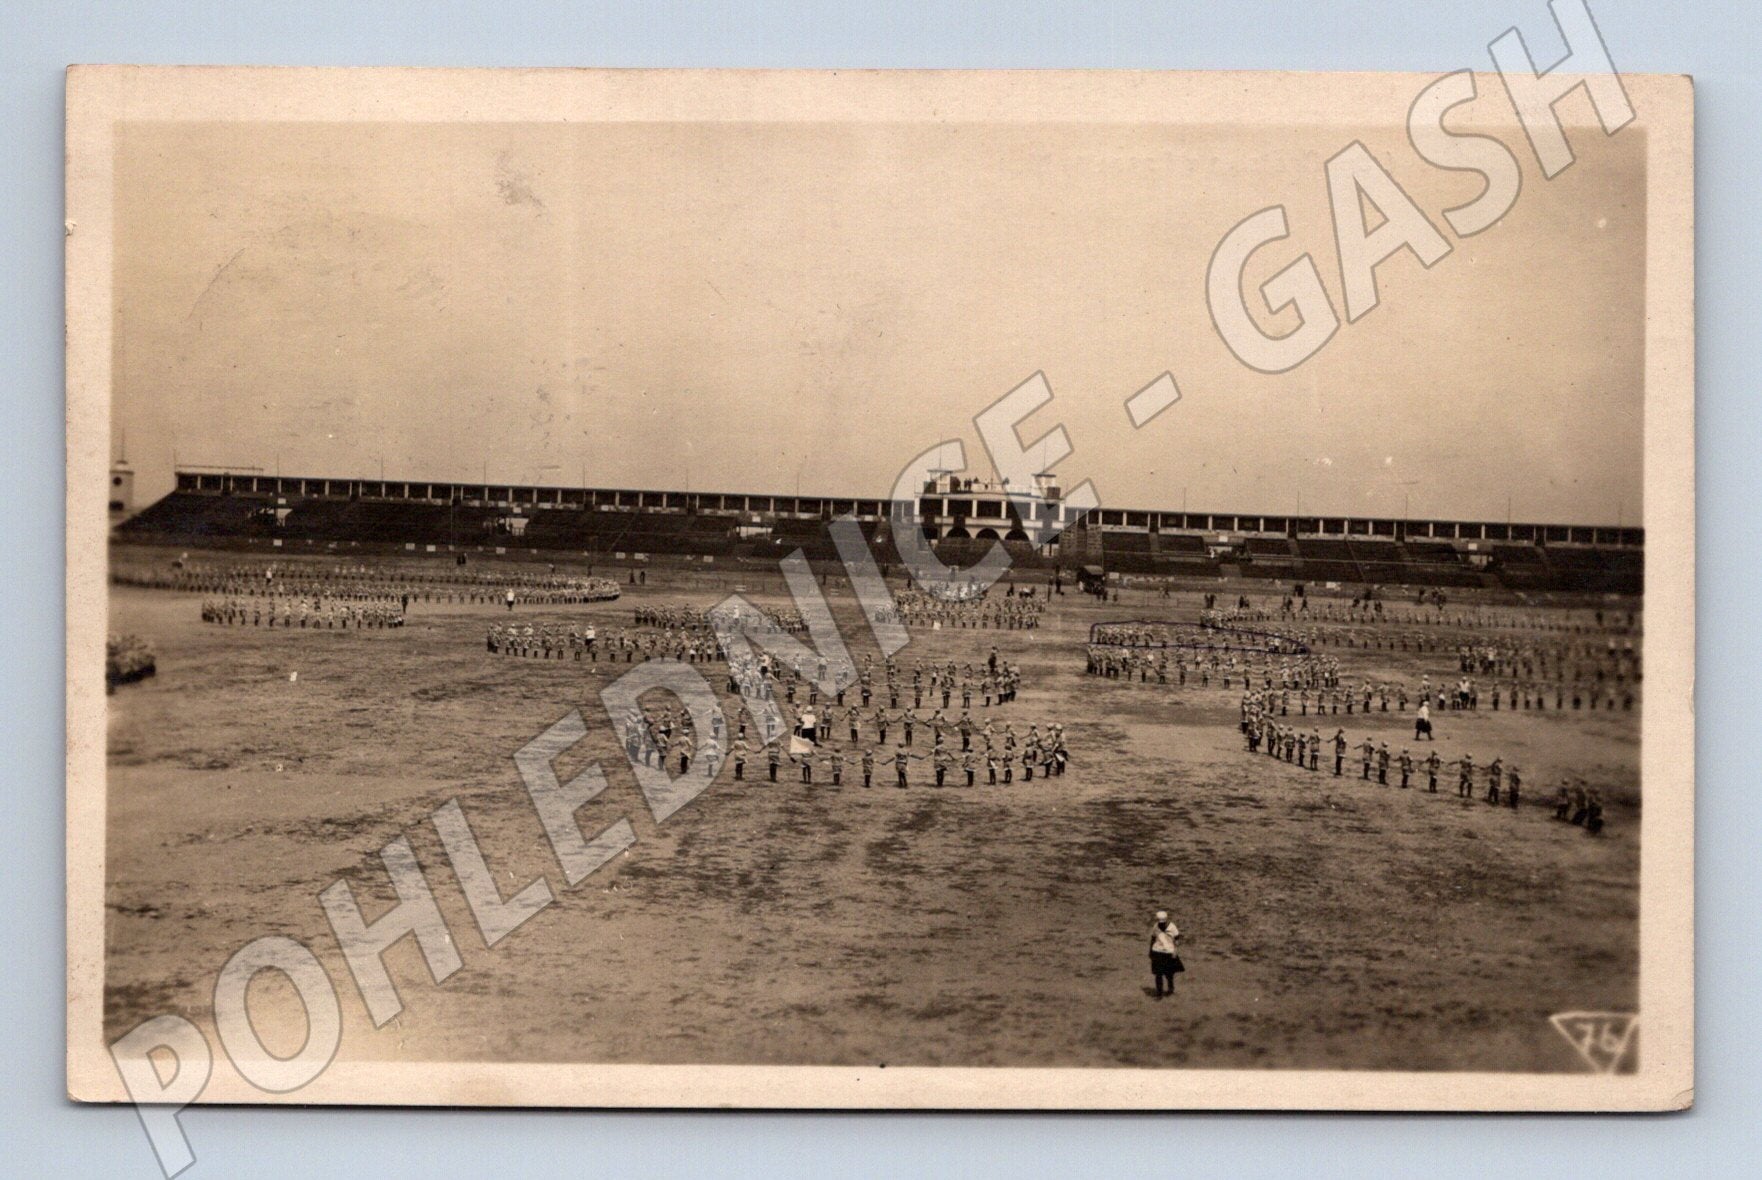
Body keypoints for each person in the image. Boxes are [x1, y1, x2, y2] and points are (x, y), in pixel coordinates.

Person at [1149, 910, 1183, 999]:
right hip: (1157, 951)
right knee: (1158, 974)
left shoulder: (1172, 927)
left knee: (1169, 973)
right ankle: (1159, 993)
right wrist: (1151, 951)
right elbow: (1153, 939)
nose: (1161, 924)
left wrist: (1175, 951)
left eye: (1163, 923)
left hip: (1169, 952)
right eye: (1160, 922)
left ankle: (1170, 988)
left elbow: (1177, 939)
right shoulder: (1155, 926)